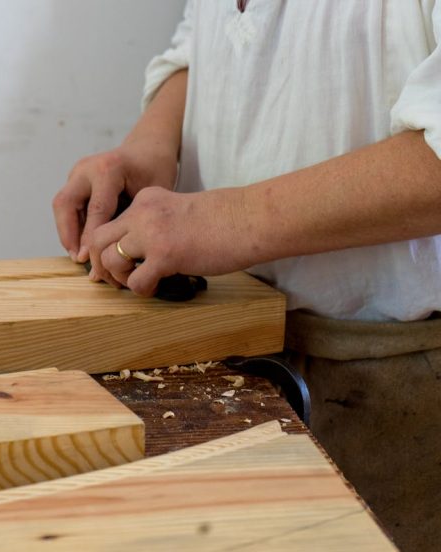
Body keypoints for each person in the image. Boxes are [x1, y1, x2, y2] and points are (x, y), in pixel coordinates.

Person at [52, 2, 441, 551]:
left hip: (405, 379)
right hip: (232, 340)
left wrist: (228, 219)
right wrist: (151, 147)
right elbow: (207, 44)